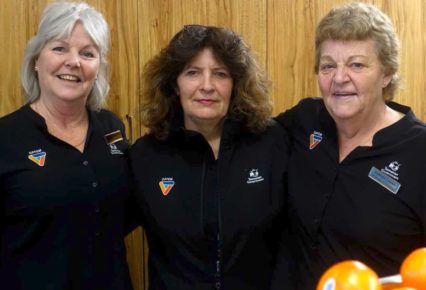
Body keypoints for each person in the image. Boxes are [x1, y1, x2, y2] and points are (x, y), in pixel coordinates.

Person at [275, 2, 426, 290]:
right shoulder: (305, 121)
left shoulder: (419, 151)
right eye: (328, 66)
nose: (339, 78)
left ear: (387, 73)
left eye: (356, 64)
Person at [129, 25, 288, 290]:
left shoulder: (272, 143)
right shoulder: (145, 156)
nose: (206, 86)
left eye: (220, 74)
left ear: (235, 84)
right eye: (192, 73)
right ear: (174, 85)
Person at [0, 2, 133, 289]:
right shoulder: (5, 138)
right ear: (36, 59)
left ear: (98, 67)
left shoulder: (112, 128)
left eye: (87, 53)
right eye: (59, 48)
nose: (74, 62)